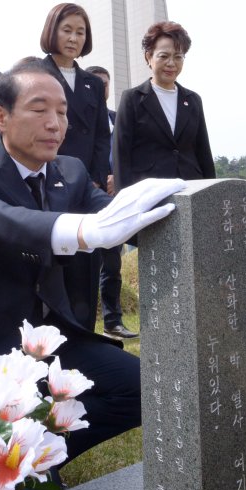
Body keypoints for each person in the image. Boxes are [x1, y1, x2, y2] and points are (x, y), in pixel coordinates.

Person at [0, 60, 182, 490]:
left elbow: (119, 219)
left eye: (62, 112)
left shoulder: (72, 172)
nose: (55, 123)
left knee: (144, 389)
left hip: (50, 341)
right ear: (0, 117)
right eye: (39, 109)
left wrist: (180, 205)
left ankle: (40, 448)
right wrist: (80, 230)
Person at [40, 3, 110, 329]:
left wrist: (94, 179)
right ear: (52, 31)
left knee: (85, 261)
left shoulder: (93, 84)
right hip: (46, 179)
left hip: (84, 187)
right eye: (67, 29)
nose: (73, 38)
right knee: (52, 263)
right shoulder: (35, 74)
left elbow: (100, 137)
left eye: (80, 32)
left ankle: (84, 332)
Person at [113, 21, 215, 191]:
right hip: (149, 190)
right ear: (149, 57)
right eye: (163, 56)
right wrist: (123, 199)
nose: (171, 63)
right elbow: (121, 154)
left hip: (191, 187)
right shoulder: (132, 98)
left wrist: (212, 195)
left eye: (178, 56)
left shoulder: (193, 99)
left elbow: (203, 152)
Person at [86, 65, 138, 341]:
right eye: (95, 82)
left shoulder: (118, 118)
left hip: (115, 199)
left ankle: (112, 322)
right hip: (83, 198)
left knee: (112, 265)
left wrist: (119, 179)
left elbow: (130, 154)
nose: (101, 88)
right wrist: (90, 182)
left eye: (105, 83)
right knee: (82, 265)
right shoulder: (75, 118)